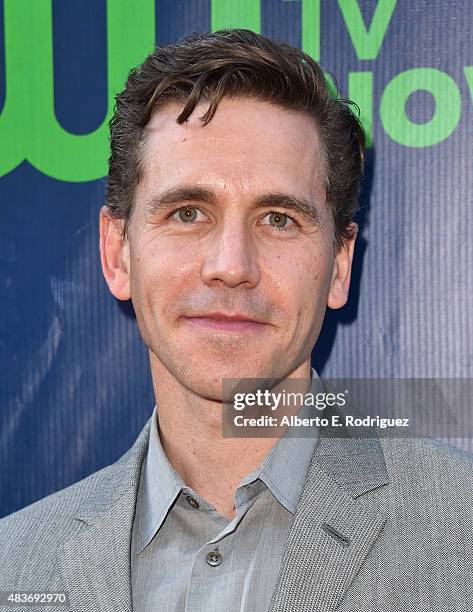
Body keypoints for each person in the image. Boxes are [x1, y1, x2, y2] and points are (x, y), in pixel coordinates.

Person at [1, 28, 472, 612]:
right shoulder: (15, 565)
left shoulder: (462, 534)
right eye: (188, 212)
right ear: (117, 253)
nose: (231, 267)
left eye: (278, 219)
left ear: (339, 266)